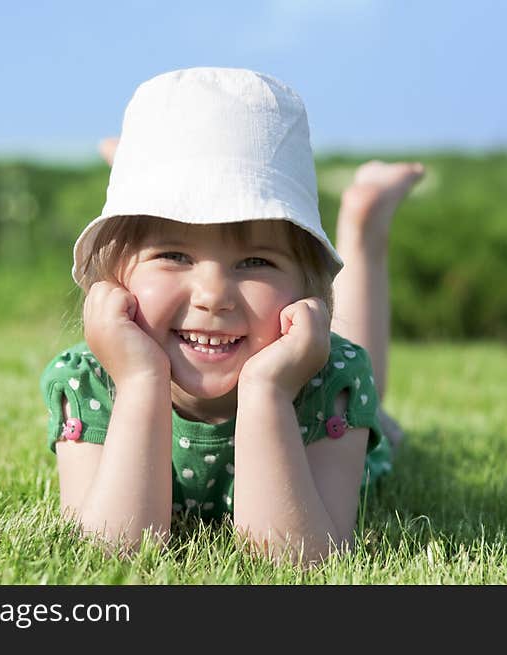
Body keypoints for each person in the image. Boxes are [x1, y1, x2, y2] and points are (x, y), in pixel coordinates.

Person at [40, 67, 424, 565]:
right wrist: (139, 381)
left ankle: (364, 225)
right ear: (114, 278)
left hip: (327, 409)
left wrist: (268, 391)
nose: (214, 295)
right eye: (173, 255)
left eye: (255, 262)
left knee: (376, 413)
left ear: (307, 286)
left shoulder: (334, 381)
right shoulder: (89, 379)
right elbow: (111, 556)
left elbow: (297, 561)